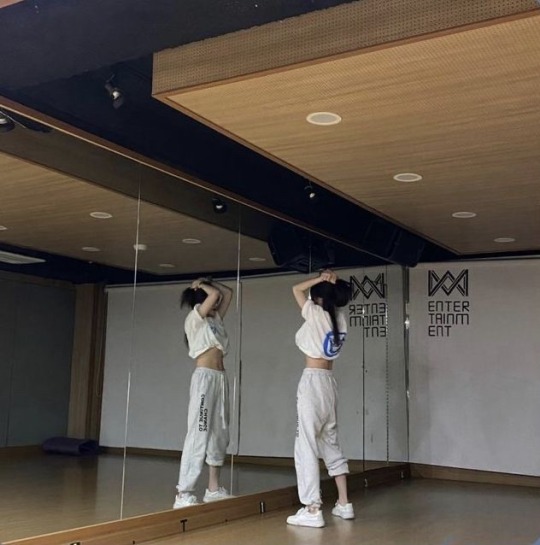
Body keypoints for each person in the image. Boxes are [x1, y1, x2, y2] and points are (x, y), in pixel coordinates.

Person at [286, 269, 354, 528]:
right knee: (330, 441)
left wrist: (320, 278)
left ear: (319, 299)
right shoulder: (340, 319)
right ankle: (344, 503)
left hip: (312, 382)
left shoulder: (315, 313)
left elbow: (296, 289)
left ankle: (312, 508)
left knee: (306, 443)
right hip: (329, 383)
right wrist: (329, 284)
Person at [173, 277, 233, 508]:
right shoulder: (194, 318)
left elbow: (227, 293)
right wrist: (201, 285)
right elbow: (216, 295)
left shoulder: (215, 319)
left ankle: (213, 489)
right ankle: (184, 492)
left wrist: (209, 281)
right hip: (204, 379)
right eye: (211, 299)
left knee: (220, 433)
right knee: (199, 432)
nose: (216, 303)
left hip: (220, 379)